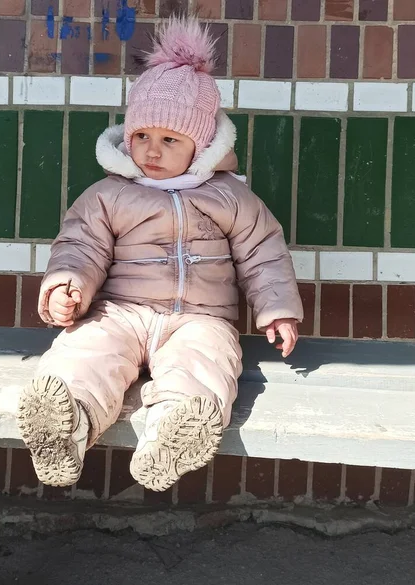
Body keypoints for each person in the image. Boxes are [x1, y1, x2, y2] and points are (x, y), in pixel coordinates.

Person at [16, 16, 304, 492]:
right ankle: (65, 420)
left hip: (200, 318)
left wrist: (276, 309)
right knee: (87, 350)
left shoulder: (229, 196)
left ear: (202, 144)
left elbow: (263, 251)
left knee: (203, 365)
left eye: (170, 140)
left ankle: (173, 433)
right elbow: (79, 245)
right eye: (142, 136)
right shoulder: (109, 194)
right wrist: (68, 284)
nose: (152, 150)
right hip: (120, 310)